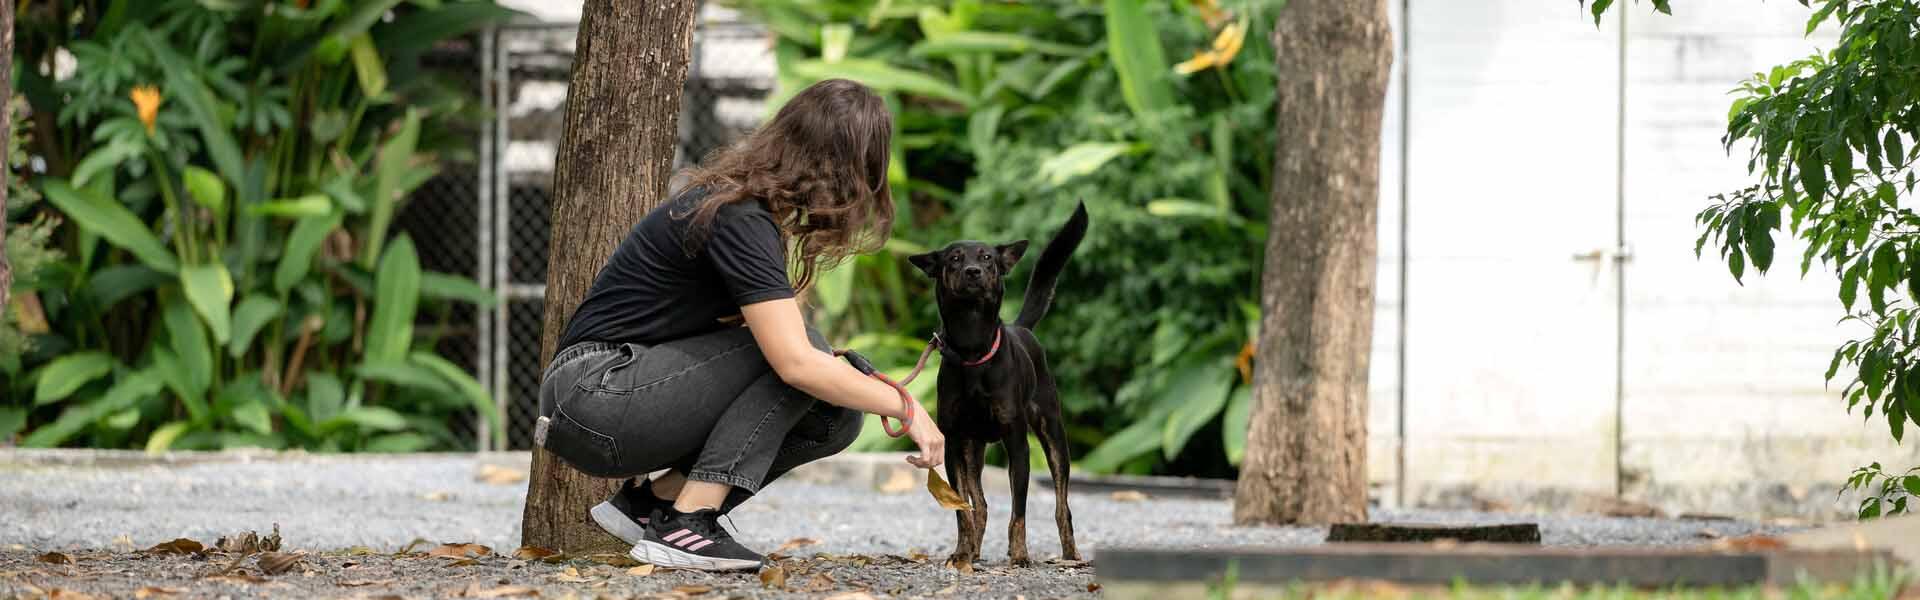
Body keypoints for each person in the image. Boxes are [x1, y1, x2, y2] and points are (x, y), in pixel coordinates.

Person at [536, 79, 945, 572]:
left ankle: (652, 504)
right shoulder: (737, 216)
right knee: (807, 356)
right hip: (594, 392)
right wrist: (905, 406)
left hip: (603, 396)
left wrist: (849, 382)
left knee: (833, 416)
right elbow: (795, 363)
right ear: (843, 166)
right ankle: (688, 522)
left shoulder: (743, 210)